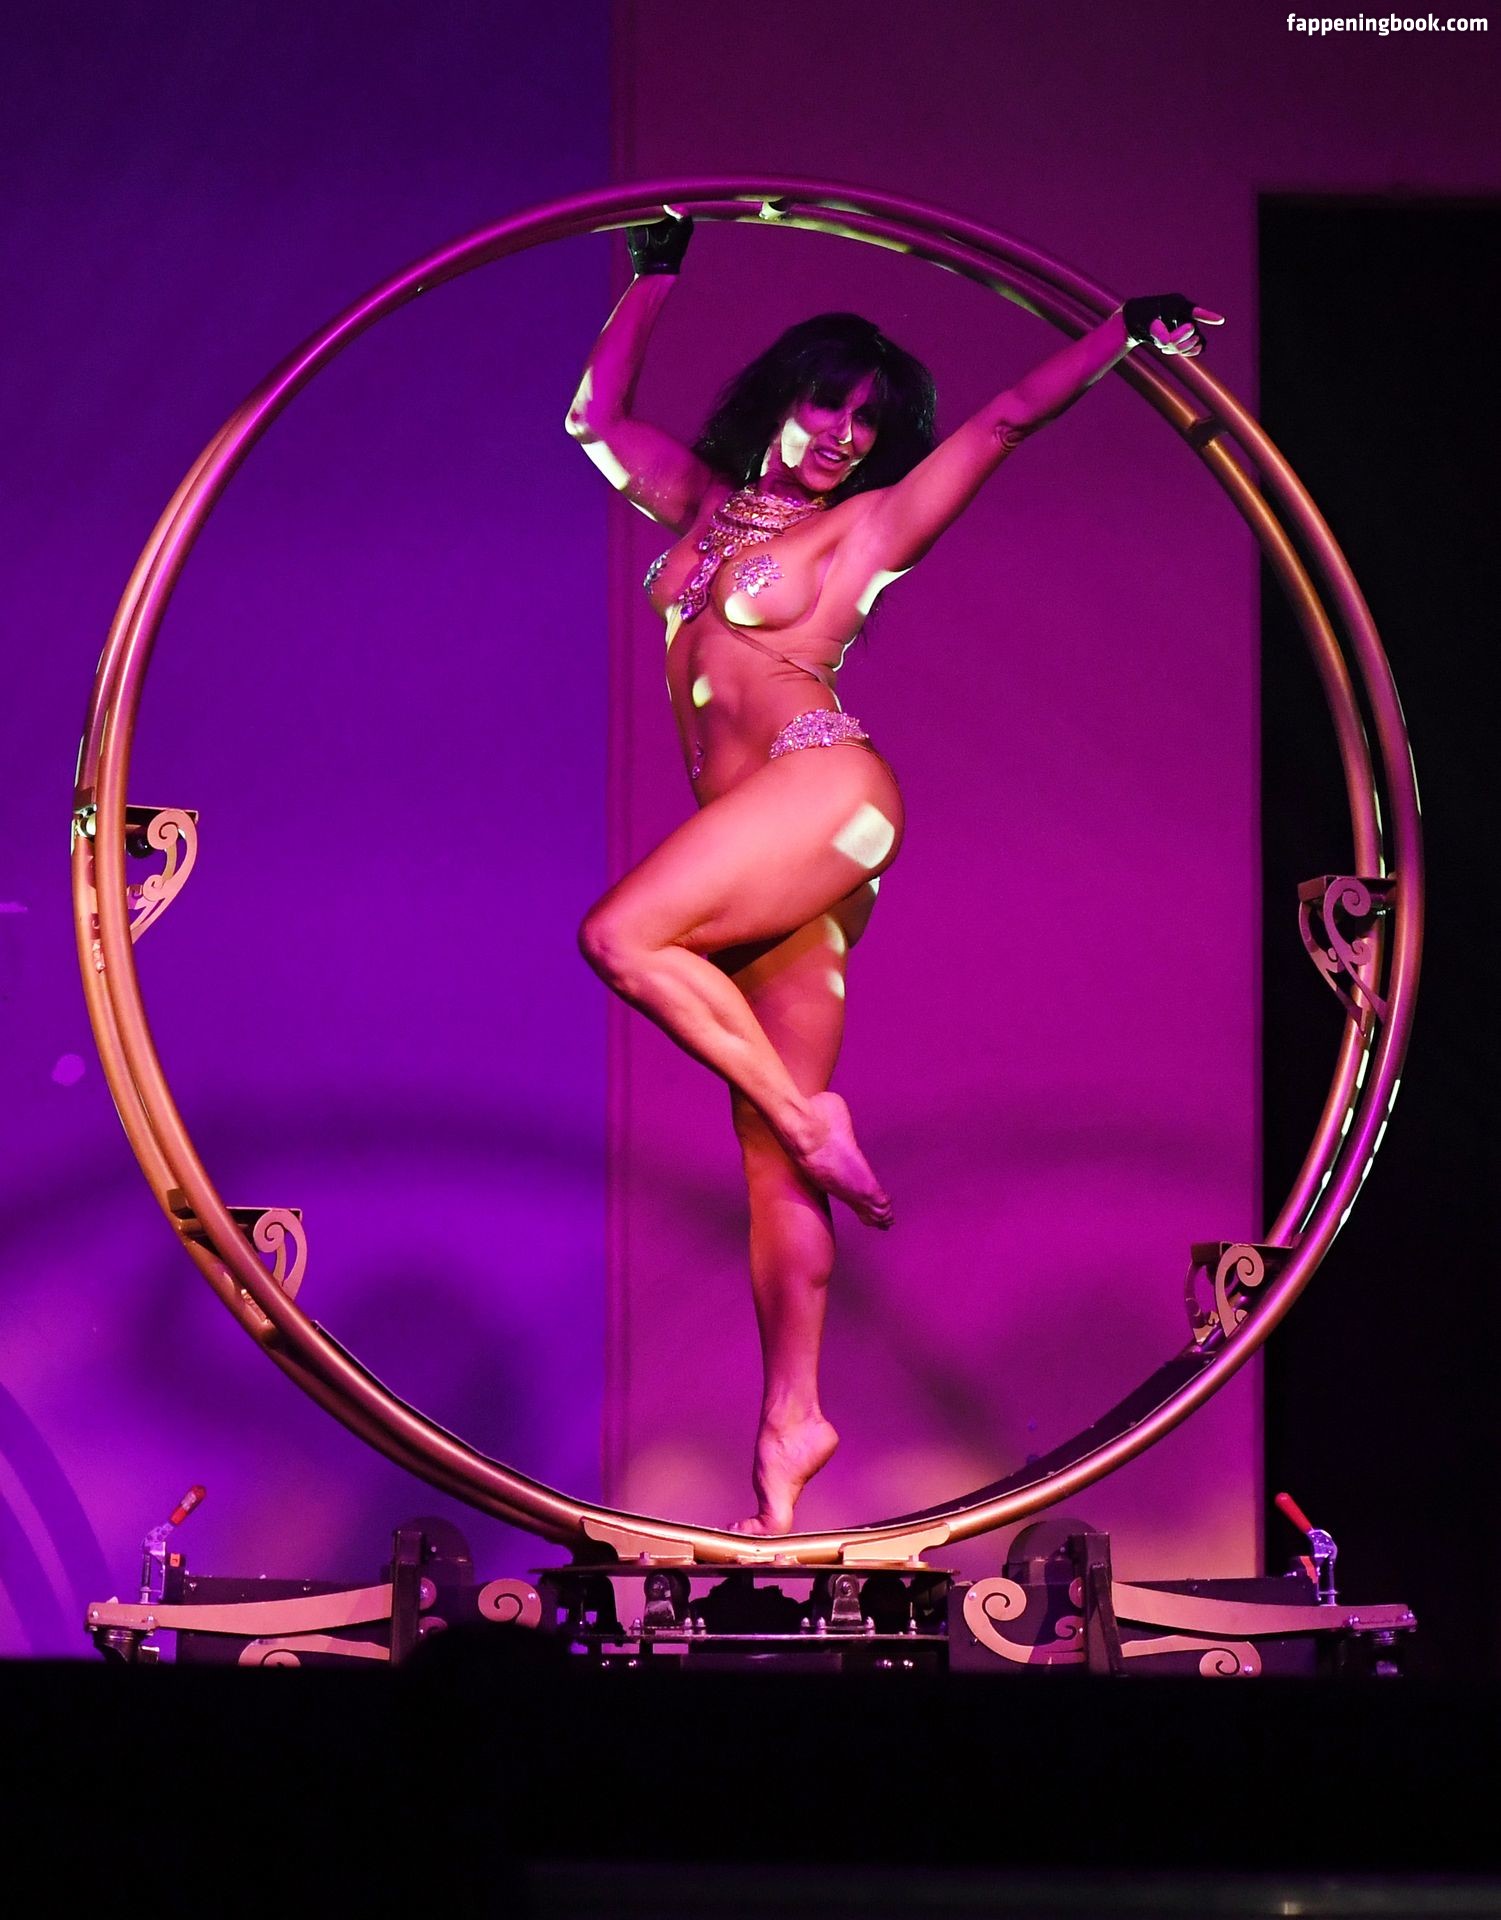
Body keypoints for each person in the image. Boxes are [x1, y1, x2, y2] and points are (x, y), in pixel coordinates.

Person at [566, 211, 1223, 1534]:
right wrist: (654, 274)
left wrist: (1118, 334)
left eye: (871, 420)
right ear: (784, 393)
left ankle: (815, 1120)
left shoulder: (863, 531)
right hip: (767, 851)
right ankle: (791, 1425)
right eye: (831, 402)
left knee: (626, 939)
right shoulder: (698, 505)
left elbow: (1002, 424)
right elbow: (594, 419)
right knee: (771, 1167)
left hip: (823, 792)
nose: (846, 432)